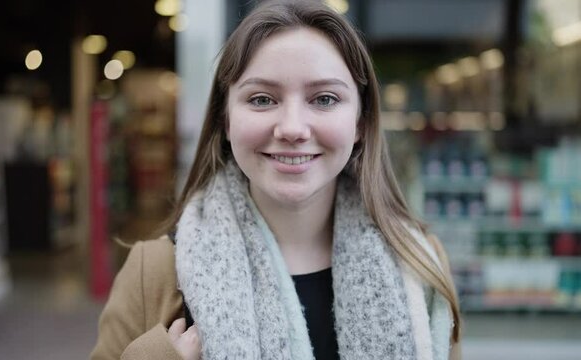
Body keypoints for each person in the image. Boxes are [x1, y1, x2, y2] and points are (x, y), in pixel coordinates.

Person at [90, 0, 461, 359]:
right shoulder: (152, 271)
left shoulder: (420, 262)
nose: (293, 128)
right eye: (263, 99)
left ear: (361, 122)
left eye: (325, 99)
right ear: (226, 120)